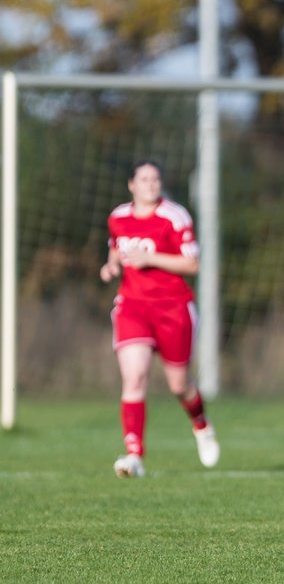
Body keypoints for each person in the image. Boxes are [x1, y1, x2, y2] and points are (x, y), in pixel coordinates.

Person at [99, 160, 220, 478]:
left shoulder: (174, 216)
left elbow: (192, 264)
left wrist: (150, 257)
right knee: (134, 377)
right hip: (133, 308)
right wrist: (111, 266)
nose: (151, 184)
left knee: (179, 385)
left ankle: (201, 425)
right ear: (131, 185)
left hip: (172, 308)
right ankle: (134, 455)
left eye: (156, 179)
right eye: (144, 179)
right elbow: (115, 249)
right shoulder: (118, 217)